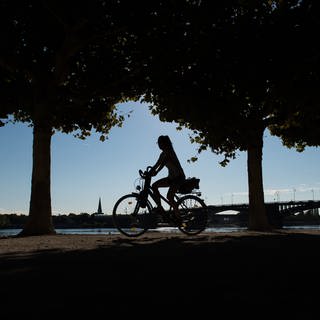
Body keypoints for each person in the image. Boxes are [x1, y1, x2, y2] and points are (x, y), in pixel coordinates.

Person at [150, 135, 186, 222]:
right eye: (158, 143)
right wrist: (149, 172)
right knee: (154, 186)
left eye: (160, 143)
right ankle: (160, 207)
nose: (158, 144)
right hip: (171, 178)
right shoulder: (162, 154)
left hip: (179, 177)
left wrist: (156, 172)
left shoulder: (169, 151)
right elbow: (157, 164)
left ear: (165, 143)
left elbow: (163, 163)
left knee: (169, 197)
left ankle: (179, 218)